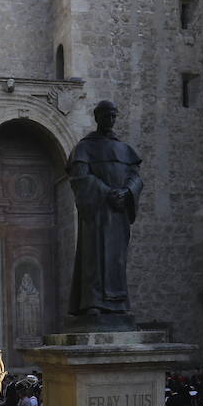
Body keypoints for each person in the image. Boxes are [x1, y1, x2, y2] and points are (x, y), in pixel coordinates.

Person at [66, 100, 143, 322]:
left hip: (119, 212)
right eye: (106, 116)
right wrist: (107, 192)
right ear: (97, 117)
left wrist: (127, 192)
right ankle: (93, 303)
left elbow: (135, 176)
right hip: (96, 212)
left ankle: (118, 304)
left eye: (113, 116)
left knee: (117, 260)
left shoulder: (125, 150)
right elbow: (80, 177)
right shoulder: (84, 148)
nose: (110, 120)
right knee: (94, 258)